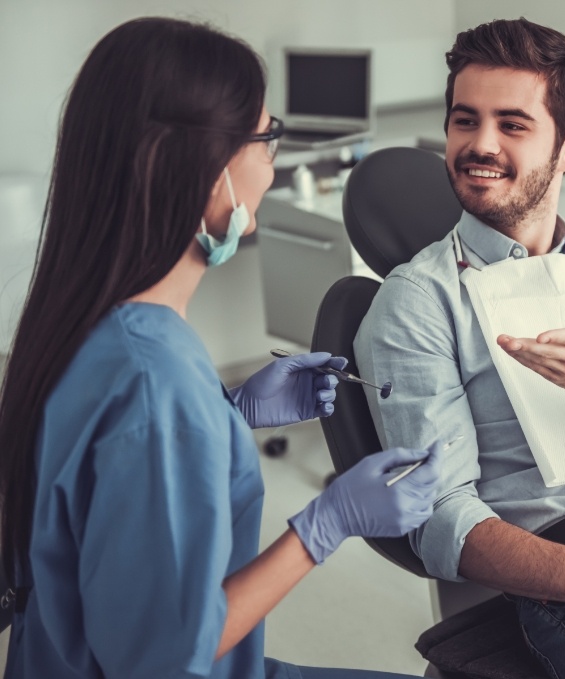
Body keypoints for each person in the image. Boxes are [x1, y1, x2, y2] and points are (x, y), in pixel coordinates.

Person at [0, 17, 444, 679]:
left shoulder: (82, 320)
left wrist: (229, 413)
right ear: (209, 172)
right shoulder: (157, 384)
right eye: (267, 138)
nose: (271, 161)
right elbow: (160, 660)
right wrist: (329, 520)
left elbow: (110, 485)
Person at [354, 17, 565, 679]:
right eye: (465, 120)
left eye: (512, 125)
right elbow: (440, 521)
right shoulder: (418, 299)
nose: (479, 145)